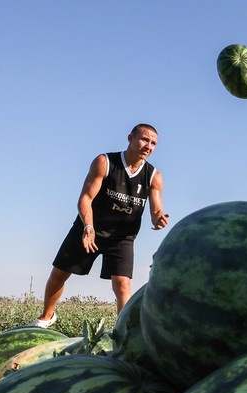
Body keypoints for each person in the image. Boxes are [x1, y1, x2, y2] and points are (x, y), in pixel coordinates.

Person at [31, 123, 169, 326]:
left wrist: (158, 218)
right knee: (59, 274)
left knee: (122, 284)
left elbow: (156, 209)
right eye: (144, 139)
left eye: (153, 143)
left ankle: (123, 331)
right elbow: (85, 198)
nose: (149, 146)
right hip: (89, 228)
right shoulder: (104, 162)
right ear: (130, 138)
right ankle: (46, 318)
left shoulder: (154, 176)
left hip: (122, 237)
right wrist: (88, 227)